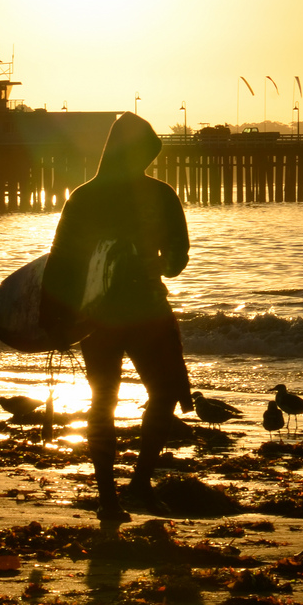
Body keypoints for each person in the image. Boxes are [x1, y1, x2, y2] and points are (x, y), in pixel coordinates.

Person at [41, 112, 192, 522]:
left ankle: (122, 491)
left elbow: (62, 264)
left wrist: (55, 317)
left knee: (119, 398)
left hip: (110, 314)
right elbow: (178, 258)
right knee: (145, 396)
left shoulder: (88, 196)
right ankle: (125, 490)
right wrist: (158, 264)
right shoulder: (153, 195)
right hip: (131, 312)